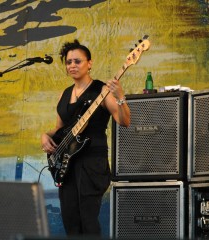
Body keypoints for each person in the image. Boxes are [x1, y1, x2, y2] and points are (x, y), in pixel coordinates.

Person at [41, 39, 130, 237]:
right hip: (67, 165)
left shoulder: (101, 90)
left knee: (88, 223)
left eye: (77, 61)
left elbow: (124, 121)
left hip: (91, 164)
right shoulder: (64, 95)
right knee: (71, 223)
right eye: (68, 62)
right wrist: (45, 136)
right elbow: (59, 129)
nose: (72, 65)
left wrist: (121, 96)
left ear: (89, 63)